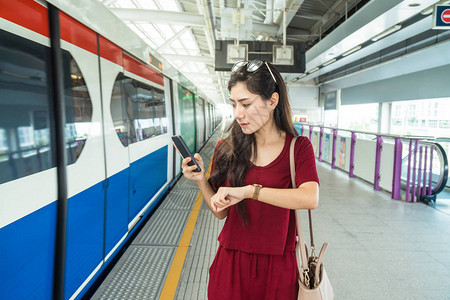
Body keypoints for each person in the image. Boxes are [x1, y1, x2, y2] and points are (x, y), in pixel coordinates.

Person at [181, 60, 319, 300]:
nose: (237, 114)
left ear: (272, 101)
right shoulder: (227, 148)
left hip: (279, 267)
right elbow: (220, 212)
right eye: (234, 104)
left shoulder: (298, 148)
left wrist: (248, 192)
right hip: (231, 263)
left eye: (246, 104)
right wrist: (201, 180)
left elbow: (309, 198)